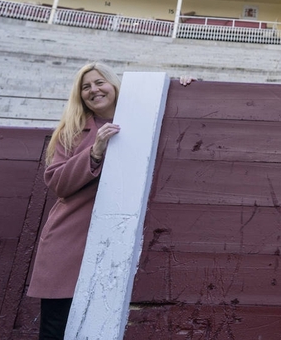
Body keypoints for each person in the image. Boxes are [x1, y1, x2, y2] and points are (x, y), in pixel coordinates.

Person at [27, 63, 193, 339]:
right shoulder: (71, 131)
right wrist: (94, 152)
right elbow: (57, 184)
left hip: (127, 241)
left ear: (114, 85)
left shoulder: (142, 116)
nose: (94, 90)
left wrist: (184, 86)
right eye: (85, 87)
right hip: (70, 241)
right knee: (56, 330)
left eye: (99, 82)